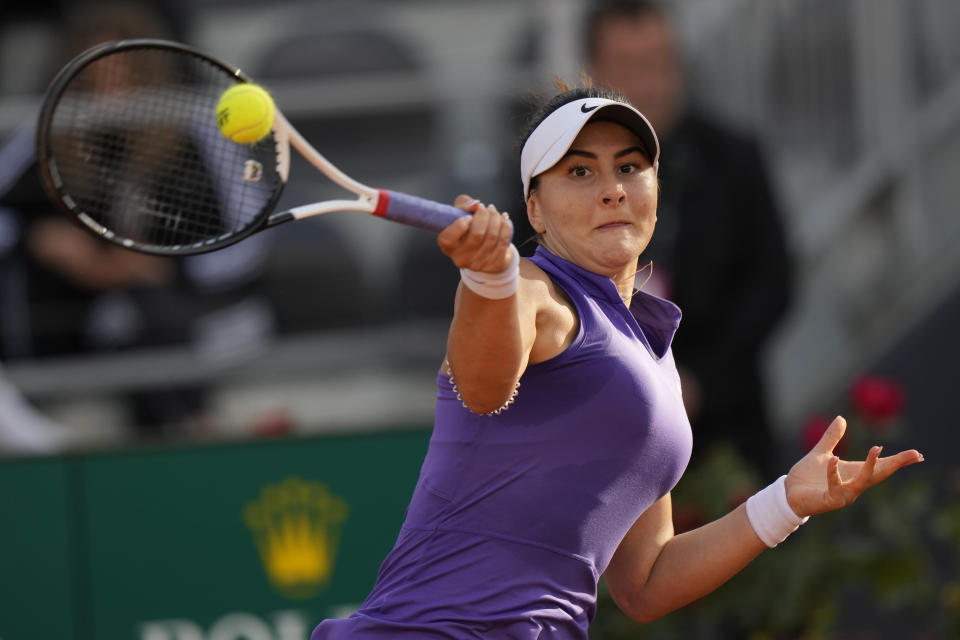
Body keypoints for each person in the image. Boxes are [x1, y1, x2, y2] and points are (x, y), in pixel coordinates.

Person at [310, 84, 923, 639]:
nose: (611, 188)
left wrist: (784, 502)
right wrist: (487, 282)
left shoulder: (651, 351)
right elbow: (483, 386)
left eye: (629, 168)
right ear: (536, 211)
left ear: (656, 194)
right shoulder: (531, 290)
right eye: (579, 170)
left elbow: (645, 583)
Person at [583, 0, 794, 480]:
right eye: (630, 68)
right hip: (599, 440)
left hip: (723, 431)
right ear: (593, 72)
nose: (649, 86)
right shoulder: (555, 178)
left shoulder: (732, 160)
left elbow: (772, 284)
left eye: (661, 65)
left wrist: (699, 383)